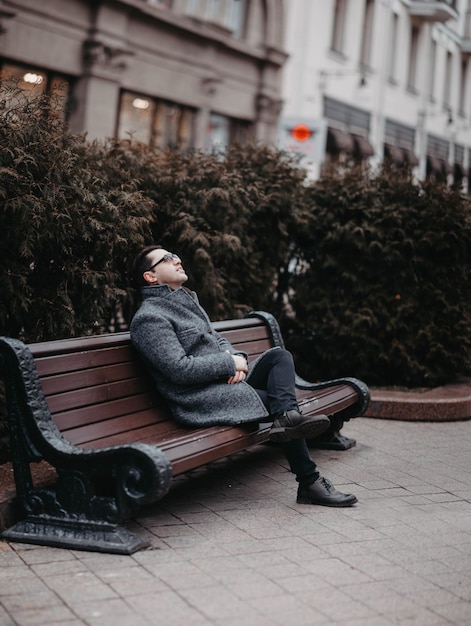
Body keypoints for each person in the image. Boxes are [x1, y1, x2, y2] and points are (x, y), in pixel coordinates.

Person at [130, 245, 357, 507]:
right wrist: (229, 364)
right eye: (168, 258)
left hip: (222, 382)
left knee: (279, 357)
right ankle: (310, 482)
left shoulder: (185, 300)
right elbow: (179, 369)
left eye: (176, 256)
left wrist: (237, 362)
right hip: (198, 398)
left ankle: (289, 417)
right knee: (276, 402)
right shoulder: (150, 319)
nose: (177, 260)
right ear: (151, 276)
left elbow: (217, 339)